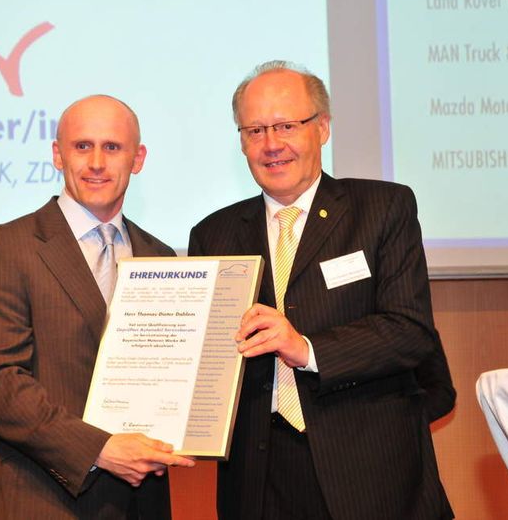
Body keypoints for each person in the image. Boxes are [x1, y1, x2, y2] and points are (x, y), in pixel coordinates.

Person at [189, 61, 456, 519]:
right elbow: (207, 361)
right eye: (254, 131)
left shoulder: (382, 208)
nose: (271, 145)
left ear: (323, 128)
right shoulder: (213, 235)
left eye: (286, 126)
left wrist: (306, 348)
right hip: (259, 480)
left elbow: (410, 331)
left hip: (370, 473)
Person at [0, 94, 194, 519]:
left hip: (143, 504)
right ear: (57, 154)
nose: (97, 163)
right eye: (82, 146)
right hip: (42, 501)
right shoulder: (5, 247)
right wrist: (99, 448)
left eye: (113, 147)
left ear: (137, 158)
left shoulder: (160, 257)